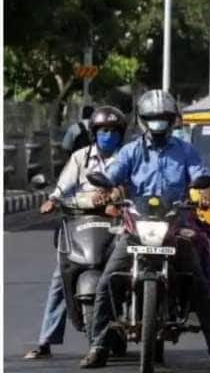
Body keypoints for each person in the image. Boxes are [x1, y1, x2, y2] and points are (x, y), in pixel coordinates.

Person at [79, 90, 210, 370]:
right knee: (108, 280)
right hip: (135, 227)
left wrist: (203, 192)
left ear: (172, 120)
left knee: (199, 284)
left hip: (176, 226)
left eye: (163, 119)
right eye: (153, 119)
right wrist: (104, 185)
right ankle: (98, 345)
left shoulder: (185, 150)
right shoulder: (130, 151)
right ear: (142, 120)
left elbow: (201, 174)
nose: (158, 124)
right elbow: (112, 174)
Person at [24, 106, 128, 360]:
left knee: (130, 270)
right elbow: (63, 185)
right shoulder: (81, 157)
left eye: (113, 131)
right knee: (61, 276)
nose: (108, 135)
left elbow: (129, 185)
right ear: (94, 132)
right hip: (79, 220)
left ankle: (140, 321)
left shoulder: (127, 157)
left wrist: (116, 196)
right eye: (103, 130)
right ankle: (45, 340)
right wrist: (52, 200)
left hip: (114, 223)